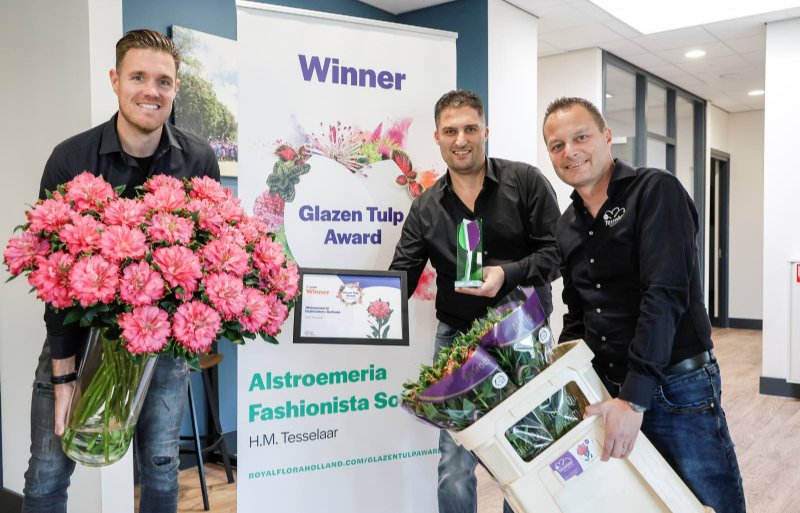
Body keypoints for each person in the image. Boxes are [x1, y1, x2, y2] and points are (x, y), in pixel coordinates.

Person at [22, 29, 221, 513]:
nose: (151, 91)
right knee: (46, 474)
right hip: (78, 336)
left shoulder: (199, 159)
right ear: (115, 80)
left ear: (175, 88)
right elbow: (56, 281)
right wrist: (65, 376)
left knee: (160, 470)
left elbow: (212, 255)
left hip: (163, 348)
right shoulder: (71, 159)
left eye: (164, 81)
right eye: (138, 77)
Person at [542, 96, 745, 513]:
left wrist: (634, 399)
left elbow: (664, 295)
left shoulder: (654, 191)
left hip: (676, 388)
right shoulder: (567, 225)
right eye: (557, 145)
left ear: (607, 137)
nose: (570, 151)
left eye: (581, 137)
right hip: (609, 392)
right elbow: (578, 314)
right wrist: (566, 381)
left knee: (710, 503)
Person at [391, 90, 561, 513]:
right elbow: (402, 273)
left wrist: (508, 273)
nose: (461, 139)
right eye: (451, 131)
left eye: (470, 128)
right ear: (437, 137)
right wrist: (352, 305)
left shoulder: (526, 182)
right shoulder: (426, 206)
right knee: (454, 458)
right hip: (457, 340)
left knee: (530, 447)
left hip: (524, 332)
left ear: (485, 132)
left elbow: (558, 255)